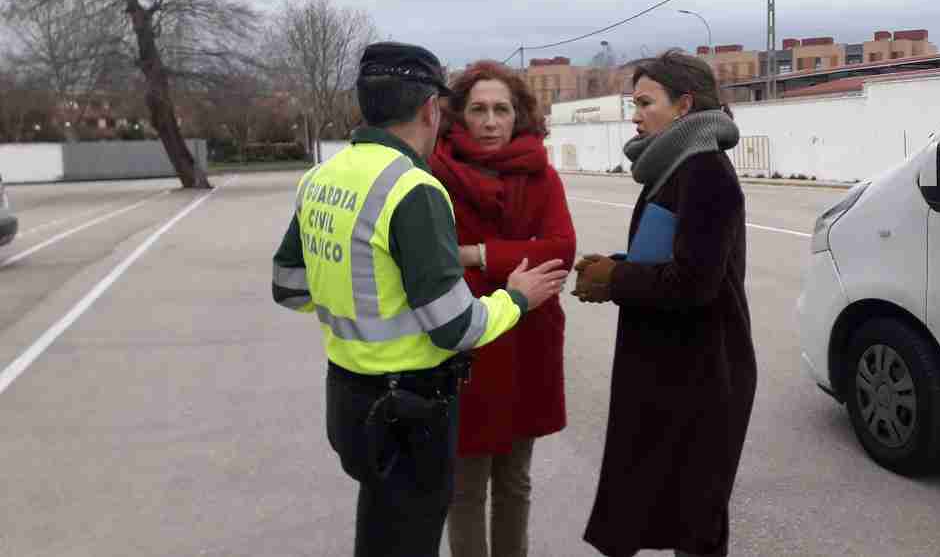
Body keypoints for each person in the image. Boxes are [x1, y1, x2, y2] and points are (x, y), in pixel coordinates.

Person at [270, 42, 569, 557]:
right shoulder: (413, 187)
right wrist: (516, 297)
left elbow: (290, 287)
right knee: (412, 531)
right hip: (410, 401)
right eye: (475, 108)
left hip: (347, 394)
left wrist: (363, 304)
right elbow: (454, 326)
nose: (491, 121)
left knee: (382, 529)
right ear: (434, 109)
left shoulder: (320, 177)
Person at [572, 50, 757, 557]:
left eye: (644, 102)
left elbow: (695, 282)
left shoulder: (706, 173)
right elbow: (669, 256)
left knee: (697, 523)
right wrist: (616, 266)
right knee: (670, 509)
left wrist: (617, 279)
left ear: (684, 106)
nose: (634, 114)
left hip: (705, 375)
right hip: (672, 368)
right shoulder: (674, 166)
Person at [429, 60, 577, 557]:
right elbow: (436, 265)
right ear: (459, 117)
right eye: (479, 110)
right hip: (467, 347)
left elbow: (560, 252)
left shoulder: (542, 175)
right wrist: (515, 257)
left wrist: (478, 254)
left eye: (501, 109)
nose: (491, 121)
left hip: (527, 347)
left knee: (515, 481)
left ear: (519, 116)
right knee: (465, 488)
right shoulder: (435, 174)